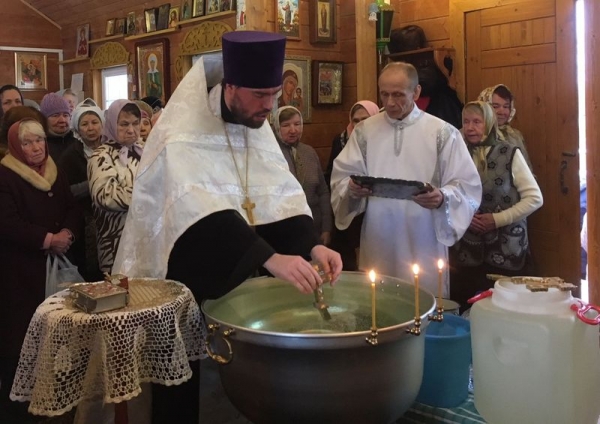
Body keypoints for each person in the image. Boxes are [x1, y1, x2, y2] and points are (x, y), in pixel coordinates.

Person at [112, 31, 342, 423]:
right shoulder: (181, 133)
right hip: (184, 275)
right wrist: (269, 258)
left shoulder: (256, 124)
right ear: (230, 87)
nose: (269, 107)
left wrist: (309, 247)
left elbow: (277, 194)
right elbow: (198, 213)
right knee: (181, 389)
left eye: (274, 95)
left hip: (239, 272)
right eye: (260, 95)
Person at [331, 61, 481, 296]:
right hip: (379, 235)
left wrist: (442, 197)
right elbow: (341, 177)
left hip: (424, 237)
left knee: (423, 304)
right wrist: (351, 188)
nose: (390, 102)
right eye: (384, 94)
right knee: (378, 306)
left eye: (399, 95)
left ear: (417, 92)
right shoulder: (364, 132)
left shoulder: (442, 132)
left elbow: (468, 186)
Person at [0, 119, 81, 423]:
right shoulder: (5, 175)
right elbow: (6, 222)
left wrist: (68, 234)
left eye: (39, 141)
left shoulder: (53, 170)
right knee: (19, 339)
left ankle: (54, 396)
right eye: (28, 143)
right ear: (16, 148)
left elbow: (72, 207)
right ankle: (20, 405)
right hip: (19, 272)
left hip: (55, 266)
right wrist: (47, 239)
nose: (36, 148)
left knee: (56, 333)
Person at [449, 101, 543, 310]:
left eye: (477, 122)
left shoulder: (509, 153)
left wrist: (497, 220)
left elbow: (535, 198)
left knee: (505, 309)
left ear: (489, 123)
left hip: (506, 247)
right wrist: (464, 217)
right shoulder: (457, 154)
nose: (470, 127)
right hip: (466, 249)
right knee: (464, 307)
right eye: (466, 122)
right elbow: (448, 192)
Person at [87, 100, 143, 274]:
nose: (131, 130)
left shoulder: (144, 150)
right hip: (116, 240)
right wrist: (145, 195)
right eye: (124, 124)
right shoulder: (101, 155)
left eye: (135, 123)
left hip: (144, 237)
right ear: (112, 124)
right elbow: (104, 195)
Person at [326, 100, 379, 270]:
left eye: (366, 118)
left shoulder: (382, 142)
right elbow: (333, 175)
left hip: (376, 211)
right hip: (351, 210)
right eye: (356, 120)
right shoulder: (341, 140)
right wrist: (348, 186)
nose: (360, 124)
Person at [58, 99, 105, 281]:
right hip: (85, 222)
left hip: (111, 218)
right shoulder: (69, 156)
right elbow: (66, 192)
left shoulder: (112, 149)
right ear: (77, 128)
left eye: (95, 122)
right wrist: (94, 183)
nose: (91, 128)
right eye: (84, 124)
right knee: (91, 271)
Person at [274, 105, 333, 245]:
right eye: (286, 125)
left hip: (314, 226)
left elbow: (323, 192)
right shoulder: (272, 154)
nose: (293, 130)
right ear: (276, 127)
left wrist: (326, 228)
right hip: (284, 229)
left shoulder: (309, 152)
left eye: (297, 124)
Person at [478, 84, 533, 170]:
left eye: (506, 106)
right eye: (495, 106)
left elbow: (526, 169)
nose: (502, 111)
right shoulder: (474, 134)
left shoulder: (515, 135)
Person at [40, 92, 77, 160]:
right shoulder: (39, 147)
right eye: (55, 115)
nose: (62, 120)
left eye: (65, 115)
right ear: (44, 119)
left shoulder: (78, 144)